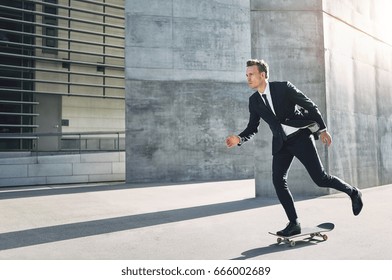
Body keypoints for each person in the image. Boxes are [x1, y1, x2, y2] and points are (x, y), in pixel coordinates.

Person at [226, 59, 363, 237]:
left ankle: (353, 192)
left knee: (320, 179)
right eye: (246, 75)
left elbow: (309, 105)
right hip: (282, 143)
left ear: (263, 75)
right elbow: (253, 127)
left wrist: (322, 130)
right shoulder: (254, 101)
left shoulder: (283, 88)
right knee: (278, 181)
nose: (248, 78)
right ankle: (294, 223)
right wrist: (239, 138)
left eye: (251, 74)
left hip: (300, 138)